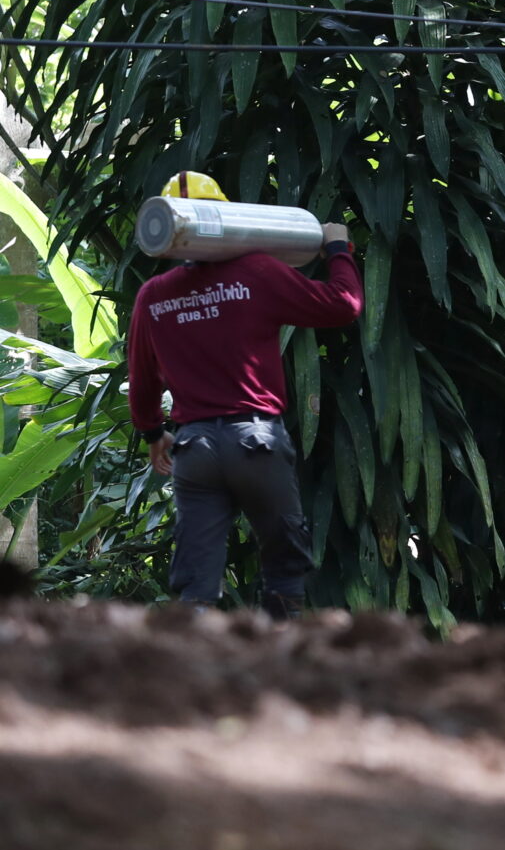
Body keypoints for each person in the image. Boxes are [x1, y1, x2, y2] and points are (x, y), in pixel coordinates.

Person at [127, 172, 362, 615]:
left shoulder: (152, 295)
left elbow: (142, 380)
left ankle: (195, 671)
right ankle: (279, 661)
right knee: (284, 568)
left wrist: (153, 432)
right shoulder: (256, 273)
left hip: (194, 449)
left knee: (196, 582)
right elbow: (342, 305)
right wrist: (337, 249)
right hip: (256, 443)